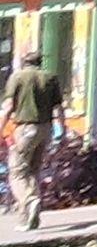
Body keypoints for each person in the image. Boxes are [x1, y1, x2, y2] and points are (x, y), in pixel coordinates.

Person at [5, 44, 58, 232]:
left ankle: (30, 200)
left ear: (24, 62)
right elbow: (59, 108)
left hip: (25, 129)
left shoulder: (17, 77)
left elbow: (9, 105)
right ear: (39, 62)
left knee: (17, 172)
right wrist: (63, 133)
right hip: (46, 129)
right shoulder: (50, 78)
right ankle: (29, 219)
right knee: (33, 171)